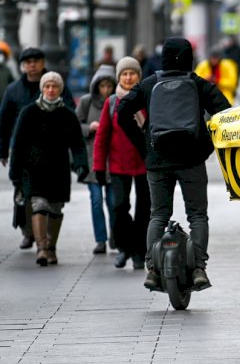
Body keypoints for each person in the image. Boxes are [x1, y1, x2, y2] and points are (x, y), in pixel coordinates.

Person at [117, 37, 231, 290]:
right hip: (192, 159)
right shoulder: (198, 84)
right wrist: (206, 144)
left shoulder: (148, 84)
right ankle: (199, 268)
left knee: (157, 215)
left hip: (157, 160)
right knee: (198, 215)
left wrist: (143, 143)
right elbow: (226, 113)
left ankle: (152, 270)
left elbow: (122, 111)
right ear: (189, 58)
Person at [8, 71, 88, 266]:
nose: (50, 90)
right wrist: (15, 171)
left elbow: (77, 143)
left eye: (54, 86)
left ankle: (51, 247)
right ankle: (42, 248)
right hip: (33, 170)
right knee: (39, 206)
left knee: (55, 209)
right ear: (42, 89)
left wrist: (81, 165)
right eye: (47, 86)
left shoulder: (67, 114)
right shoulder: (29, 112)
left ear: (60, 89)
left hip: (58, 169)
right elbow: (18, 143)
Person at [0, 47, 75, 250]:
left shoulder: (55, 85)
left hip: (52, 150)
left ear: (43, 63)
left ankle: (45, 238)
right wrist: (3, 148)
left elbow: (69, 113)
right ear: (23, 66)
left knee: (47, 195)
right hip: (22, 148)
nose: (32, 65)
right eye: (28, 62)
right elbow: (4, 121)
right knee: (23, 193)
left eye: (36, 61)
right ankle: (27, 232)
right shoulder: (13, 90)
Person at [93, 57, 150, 270]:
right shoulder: (111, 103)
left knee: (144, 209)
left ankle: (139, 251)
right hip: (118, 165)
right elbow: (102, 137)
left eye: (132, 73)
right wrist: (99, 167)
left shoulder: (146, 98)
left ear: (138, 76)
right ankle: (124, 247)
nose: (128, 77)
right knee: (119, 207)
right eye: (124, 74)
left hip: (144, 164)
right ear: (119, 77)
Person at [75, 64, 117, 254]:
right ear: (96, 86)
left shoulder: (117, 102)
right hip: (93, 160)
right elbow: (75, 126)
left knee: (114, 201)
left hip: (114, 160)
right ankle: (101, 239)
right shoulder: (86, 102)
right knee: (96, 200)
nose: (106, 90)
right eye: (102, 86)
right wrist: (88, 128)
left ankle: (116, 237)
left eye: (109, 85)